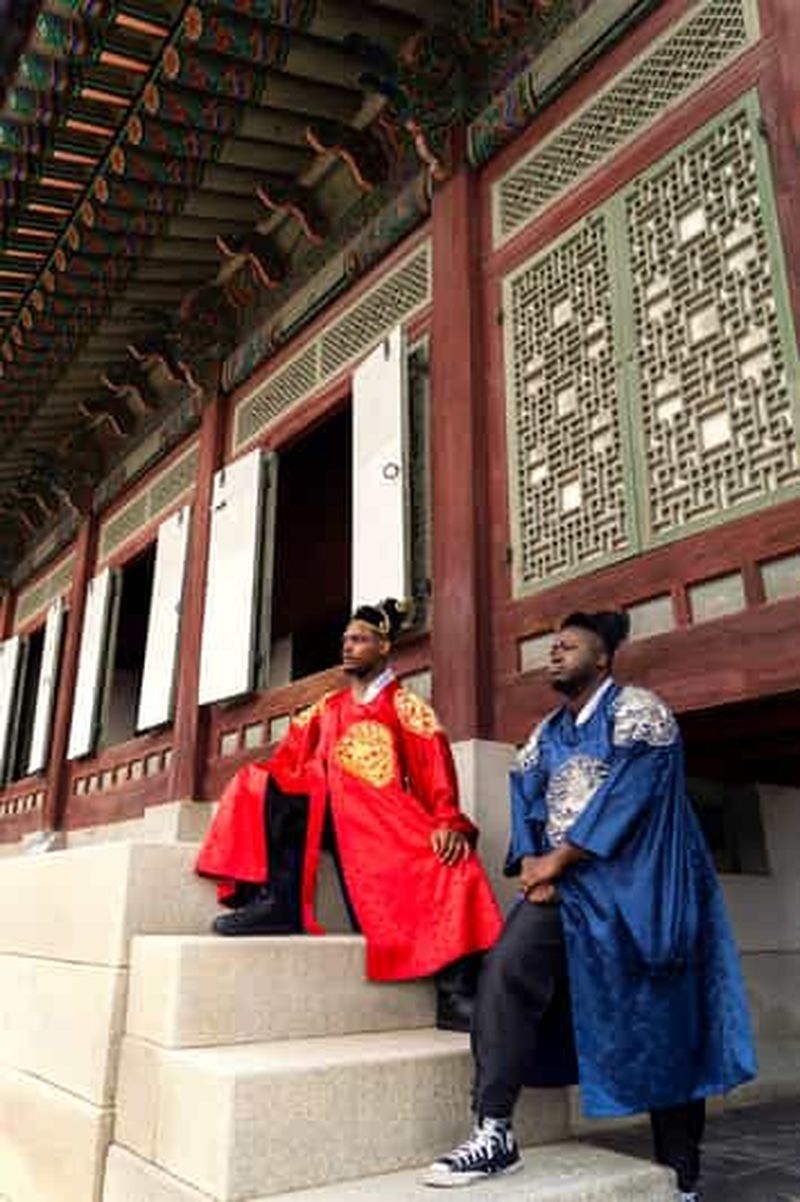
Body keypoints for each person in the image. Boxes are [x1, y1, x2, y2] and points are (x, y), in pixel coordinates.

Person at [426, 611, 756, 1198]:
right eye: (551, 647)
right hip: (571, 890)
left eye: (568, 647)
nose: (554, 655)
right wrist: (533, 863)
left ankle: (682, 1177)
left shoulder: (640, 712)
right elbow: (526, 794)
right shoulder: (544, 736)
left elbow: (636, 793)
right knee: (505, 970)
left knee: (665, 1021)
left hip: (645, 887)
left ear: (602, 659)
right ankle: (494, 1128)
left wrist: (561, 857)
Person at [196, 599, 503, 1030]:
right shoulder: (327, 706)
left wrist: (447, 821)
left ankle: (454, 993)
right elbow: (290, 757)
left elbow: (435, 768)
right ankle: (279, 902)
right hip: (325, 808)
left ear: (384, 647)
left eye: (359, 640)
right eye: (345, 640)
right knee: (260, 780)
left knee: (453, 864)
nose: (348, 647)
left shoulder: (405, 706)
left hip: (380, 816)